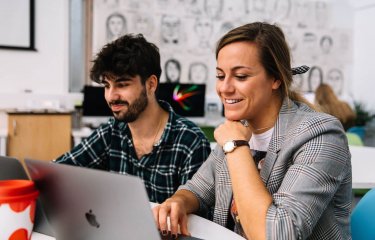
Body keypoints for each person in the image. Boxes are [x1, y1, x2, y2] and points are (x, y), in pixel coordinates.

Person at [153, 22, 351, 239]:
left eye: (241, 77)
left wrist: (236, 147)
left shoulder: (321, 135)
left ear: (275, 79)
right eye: (220, 76)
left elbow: (276, 235)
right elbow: (198, 190)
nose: (225, 88)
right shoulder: (239, 129)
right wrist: (178, 202)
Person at [54, 34, 211, 203]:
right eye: (107, 86)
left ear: (151, 84)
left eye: (122, 85)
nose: (111, 96)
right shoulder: (112, 131)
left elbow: (198, 219)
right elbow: (56, 172)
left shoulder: (191, 142)